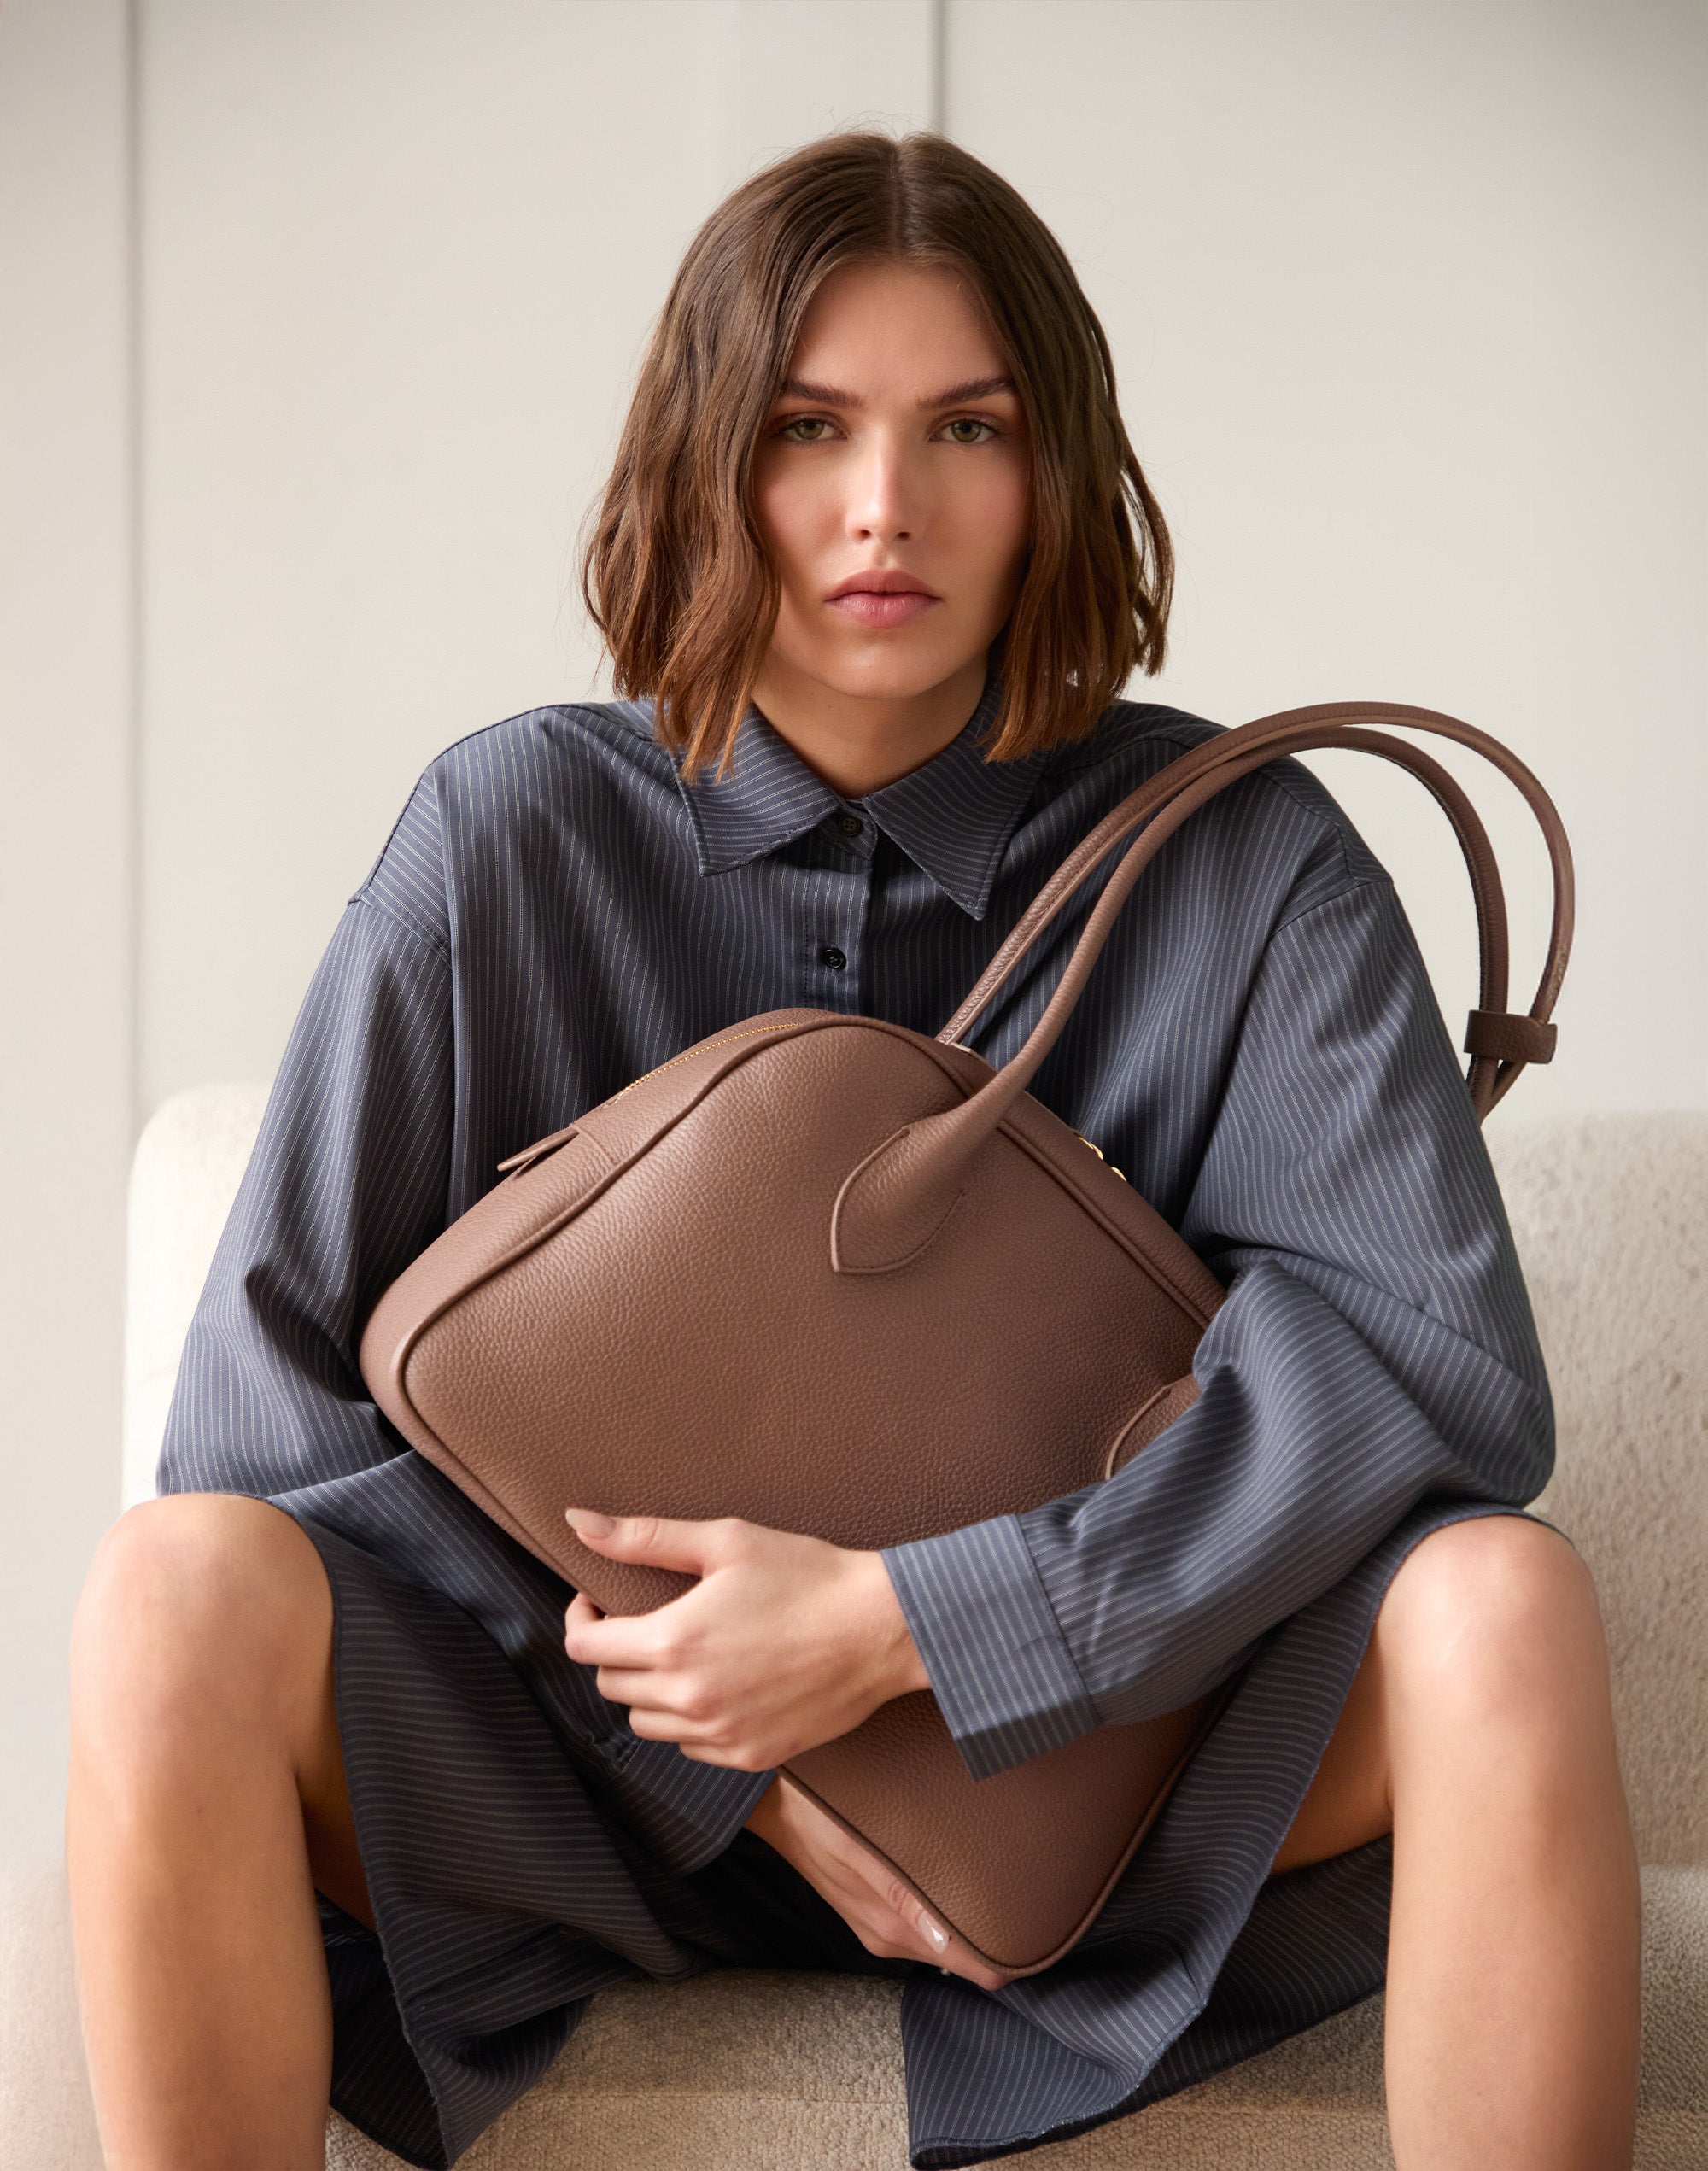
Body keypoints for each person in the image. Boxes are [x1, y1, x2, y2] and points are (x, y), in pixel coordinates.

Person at [67, 131, 1641, 2171]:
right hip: (566, 1797)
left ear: (1052, 469)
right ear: (704, 460)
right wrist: (761, 1745)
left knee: (1500, 1601)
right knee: (171, 1587)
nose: (883, 506)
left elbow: (1433, 1369)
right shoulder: (504, 841)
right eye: (809, 427)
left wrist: (925, 1635)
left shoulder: (1246, 866)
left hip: (1125, 1764)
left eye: (964, 427)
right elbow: (256, 1440)